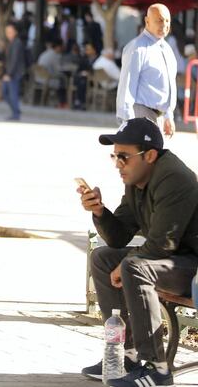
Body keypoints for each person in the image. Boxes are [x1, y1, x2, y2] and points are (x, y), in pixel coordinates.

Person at [79, 118, 198, 386]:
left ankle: (157, 368)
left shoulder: (174, 178)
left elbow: (162, 243)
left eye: (124, 156)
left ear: (151, 155)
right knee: (103, 257)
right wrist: (99, 211)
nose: (118, 163)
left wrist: (129, 263)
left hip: (193, 267)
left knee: (134, 266)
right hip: (172, 261)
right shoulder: (137, 179)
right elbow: (119, 236)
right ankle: (124, 355)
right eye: (115, 156)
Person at [116, 4, 177, 137]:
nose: (164, 25)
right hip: (141, 114)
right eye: (159, 20)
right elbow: (127, 87)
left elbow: (170, 84)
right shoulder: (137, 48)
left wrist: (168, 115)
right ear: (147, 21)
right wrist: (128, 122)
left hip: (159, 117)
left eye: (167, 21)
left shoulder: (167, 49)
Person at [2, 22, 25, 120]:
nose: (8, 34)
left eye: (10, 31)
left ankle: (16, 113)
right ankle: (16, 111)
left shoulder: (17, 43)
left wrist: (9, 74)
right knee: (6, 93)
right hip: (11, 72)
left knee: (12, 94)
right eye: (7, 32)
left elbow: (14, 60)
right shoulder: (11, 43)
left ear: (15, 32)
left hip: (14, 73)